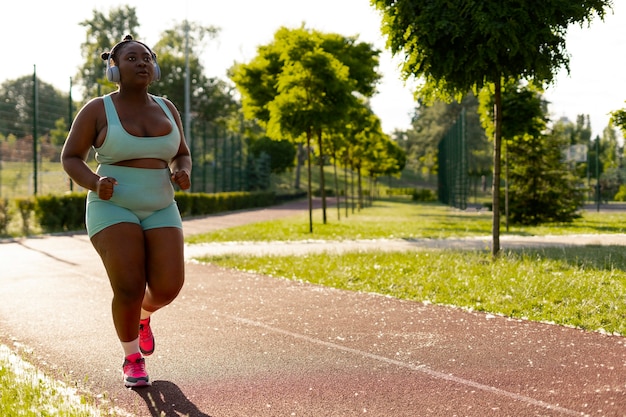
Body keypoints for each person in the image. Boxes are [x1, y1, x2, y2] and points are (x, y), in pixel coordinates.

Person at [61, 35, 192, 388]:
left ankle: (143, 317)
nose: (142, 63)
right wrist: (93, 181)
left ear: (156, 67)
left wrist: (184, 171)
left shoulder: (167, 108)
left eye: (147, 58)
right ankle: (132, 358)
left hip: (161, 204)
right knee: (130, 286)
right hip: (112, 206)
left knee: (167, 288)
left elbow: (181, 151)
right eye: (132, 58)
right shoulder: (97, 109)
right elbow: (70, 157)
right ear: (114, 69)